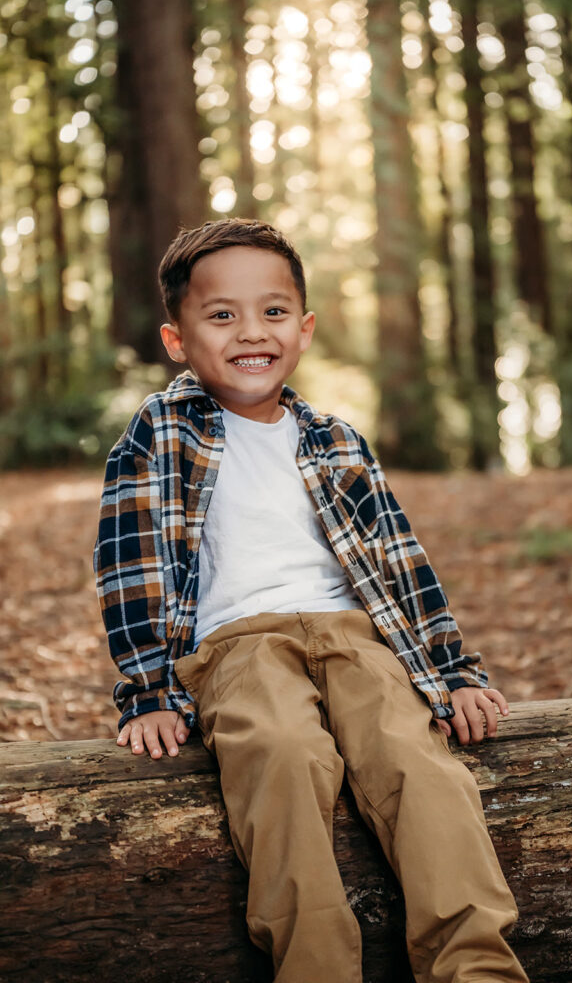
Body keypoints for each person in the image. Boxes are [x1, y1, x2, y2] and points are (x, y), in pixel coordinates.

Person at [94, 218, 528, 983]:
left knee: (416, 764)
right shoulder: (160, 431)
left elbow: (402, 563)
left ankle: (475, 965)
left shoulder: (335, 440)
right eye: (220, 315)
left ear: (304, 327)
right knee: (282, 756)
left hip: (356, 639)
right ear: (176, 339)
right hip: (238, 647)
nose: (250, 333)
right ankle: (315, 968)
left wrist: (453, 671)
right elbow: (130, 565)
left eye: (272, 311)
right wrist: (147, 692)